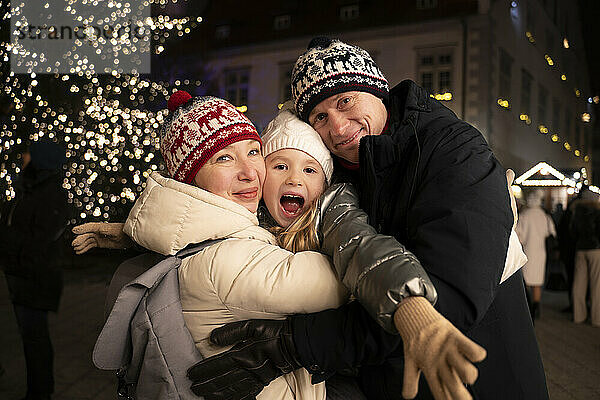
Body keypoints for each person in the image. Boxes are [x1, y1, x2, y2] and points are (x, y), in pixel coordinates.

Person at [188, 37, 548, 400]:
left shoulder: (452, 150)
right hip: (395, 381)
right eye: (321, 118)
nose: (340, 128)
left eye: (345, 102)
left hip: (478, 373)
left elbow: (444, 302)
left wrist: (296, 343)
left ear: (376, 89)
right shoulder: (342, 175)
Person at [75, 94, 486, 399]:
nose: (248, 170)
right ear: (192, 177)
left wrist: (131, 233)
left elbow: (357, 248)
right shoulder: (235, 248)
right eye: (278, 165)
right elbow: (350, 273)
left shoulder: (291, 221)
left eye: (253, 152)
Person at [0, 139, 69, 400]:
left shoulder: (50, 194)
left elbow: (39, 239)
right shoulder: (28, 189)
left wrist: (9, 242)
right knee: (30, 336)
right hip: (20, 275)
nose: (24, 157)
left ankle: (40, 392)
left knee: (35, 338)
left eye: (29, 153)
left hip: (36, 277)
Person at [516, 190, 557, 321]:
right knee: (537, 282)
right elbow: (552, 234)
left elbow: (519, 236)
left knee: (526, 281)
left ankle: (527, 308)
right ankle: (536, 307)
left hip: (527, 251)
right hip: (541, 252)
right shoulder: (545, 216)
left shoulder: (524, 215)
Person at [569, 187, 600, 326]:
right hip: (596, 249)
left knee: (579, 284)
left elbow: (572, 232)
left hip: (580, 249)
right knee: (596, 284)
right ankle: (596, 318)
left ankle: (578, 316)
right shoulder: (598, 212)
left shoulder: (576, 212)